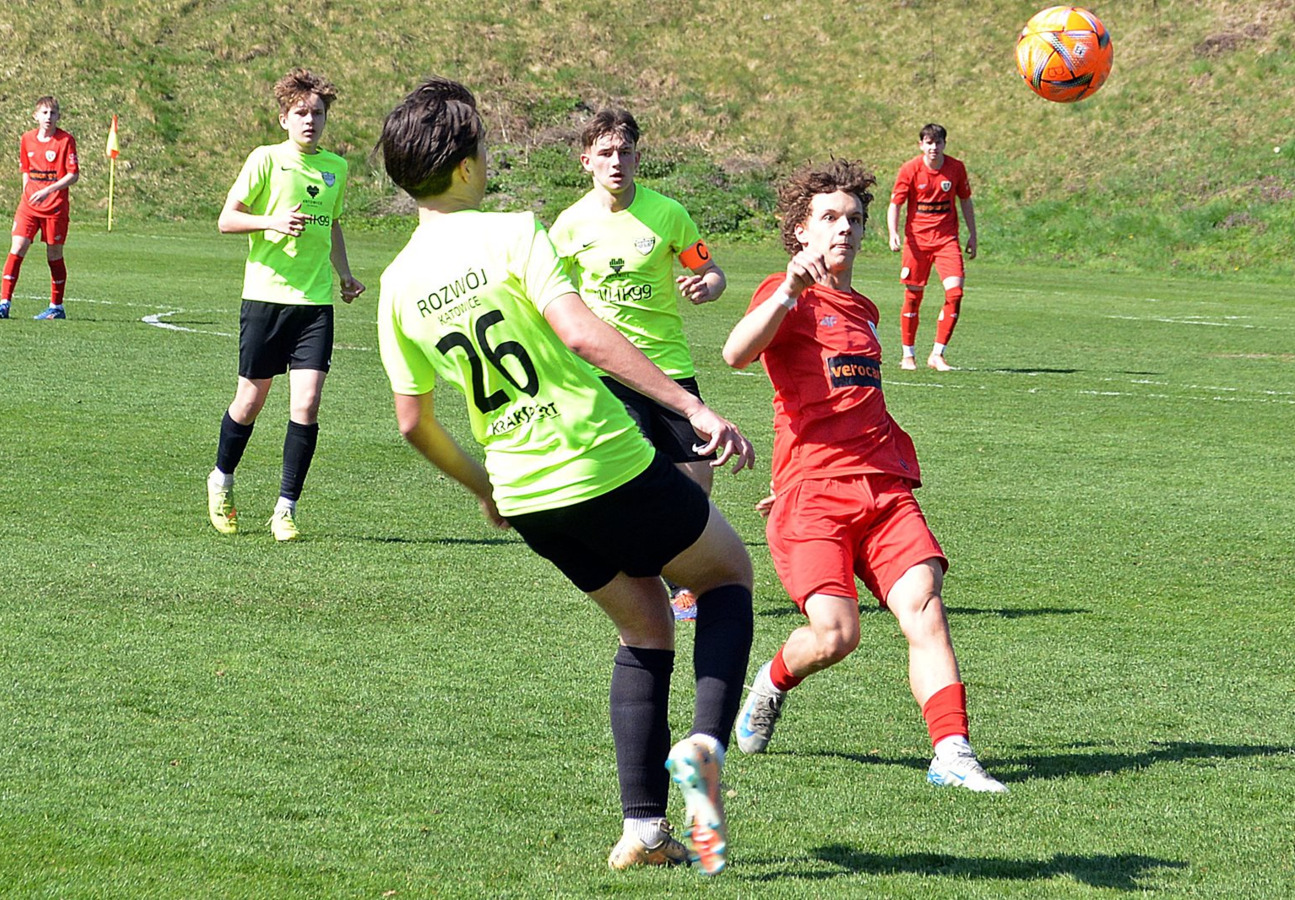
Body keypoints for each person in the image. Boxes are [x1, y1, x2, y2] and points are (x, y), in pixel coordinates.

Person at [373, 78, 756, 875]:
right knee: (725, 574)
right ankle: (704, 745)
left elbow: (413, 422)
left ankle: (643, 830)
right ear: (467, 165)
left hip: (525, 492)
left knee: (644, 625)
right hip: (597, 453)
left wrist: (485, 490)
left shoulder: (397, 284)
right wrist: (692, 407)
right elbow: (580, 333)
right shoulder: (512, 231)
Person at [722, 158, 1007, 794]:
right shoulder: (785, 294)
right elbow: (735, 353)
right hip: (815, 496)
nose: (844, 228)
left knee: (925, 604)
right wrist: (787, 290)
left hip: (883, 486)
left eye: (852, 218)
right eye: (828, 218)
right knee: (836, 635)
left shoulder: (865, 309)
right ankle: (771, 682)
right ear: (801, 230)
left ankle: (952, 752)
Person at [548, 109, 727, 622]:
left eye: (624, 152)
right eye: (605, 153)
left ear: (638, 157)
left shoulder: (668, 213)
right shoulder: (569, 225)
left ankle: (678, 572)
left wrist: (706, 286)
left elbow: (711, 271)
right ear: (586, 161)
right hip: (607, 372)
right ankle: (663, 585)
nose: (616, 162)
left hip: (669, 367)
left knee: (695, 483)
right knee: (636, 482)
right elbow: (549, 294)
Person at [206, 68, 365, 541]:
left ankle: (285, 509)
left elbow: (332, 223)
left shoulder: (336, 168)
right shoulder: (266, 159)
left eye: (317, 113)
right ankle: (222, 479)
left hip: (314, 304)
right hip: (265, 299)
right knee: (250, 401)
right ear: (284, 119)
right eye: (300, 113)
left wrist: (345, 274)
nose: (310, 121)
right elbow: (227, 220)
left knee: (308, 403)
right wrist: (271, 221)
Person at [886, 123, 977, 371]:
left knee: (955, 294)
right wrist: (893, 233)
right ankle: (908, 355)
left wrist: (972, 234)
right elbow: (895, 204)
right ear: (921, 145)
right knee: (913, 296)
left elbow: (965, 200)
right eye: (929, 143)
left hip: (947, 241)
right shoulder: (910, 169)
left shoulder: (956, 168)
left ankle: (937, 354)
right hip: (917, 242)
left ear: (944, 144)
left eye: (938, 142)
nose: (933, 147)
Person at [0, 96, 79, 321]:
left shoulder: (65, 140)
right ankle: (4, 303)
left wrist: (49, 190)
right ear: (35, 116)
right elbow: (26, 170)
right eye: (44, 113)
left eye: (53, 113)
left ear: (59, 116)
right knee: (17, 248)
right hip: (29, 207)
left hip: (55, 208)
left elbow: (73, 175)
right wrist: (27, 192)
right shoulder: (27, 139)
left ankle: (56, 307)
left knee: (54, 254)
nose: (48, 117)